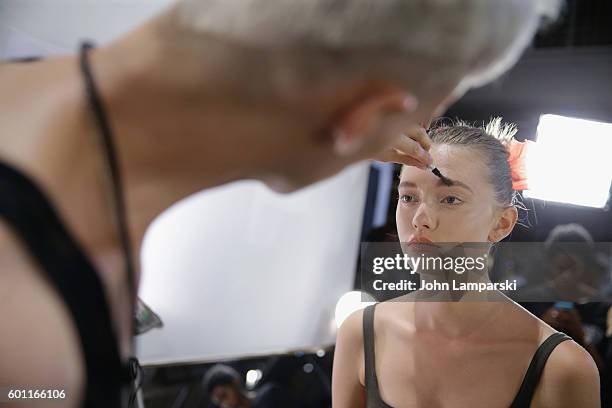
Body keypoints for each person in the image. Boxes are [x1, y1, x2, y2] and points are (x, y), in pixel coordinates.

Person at [0, 0, 559, 406]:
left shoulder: (27, 100)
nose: (421, 216)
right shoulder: (34, 335)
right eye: (408, 193)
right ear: (362, 119)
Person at [332, 119, 600, 407]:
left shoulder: (562, 368)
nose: (420, 218)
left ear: (501, 223)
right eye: (408, 197)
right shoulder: (361, 333)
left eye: (449, 199)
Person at [203, 364, 290, 408]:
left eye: (224, 395)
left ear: (235, 383)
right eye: (220, 403)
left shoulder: (270, 396)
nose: (226, 404)